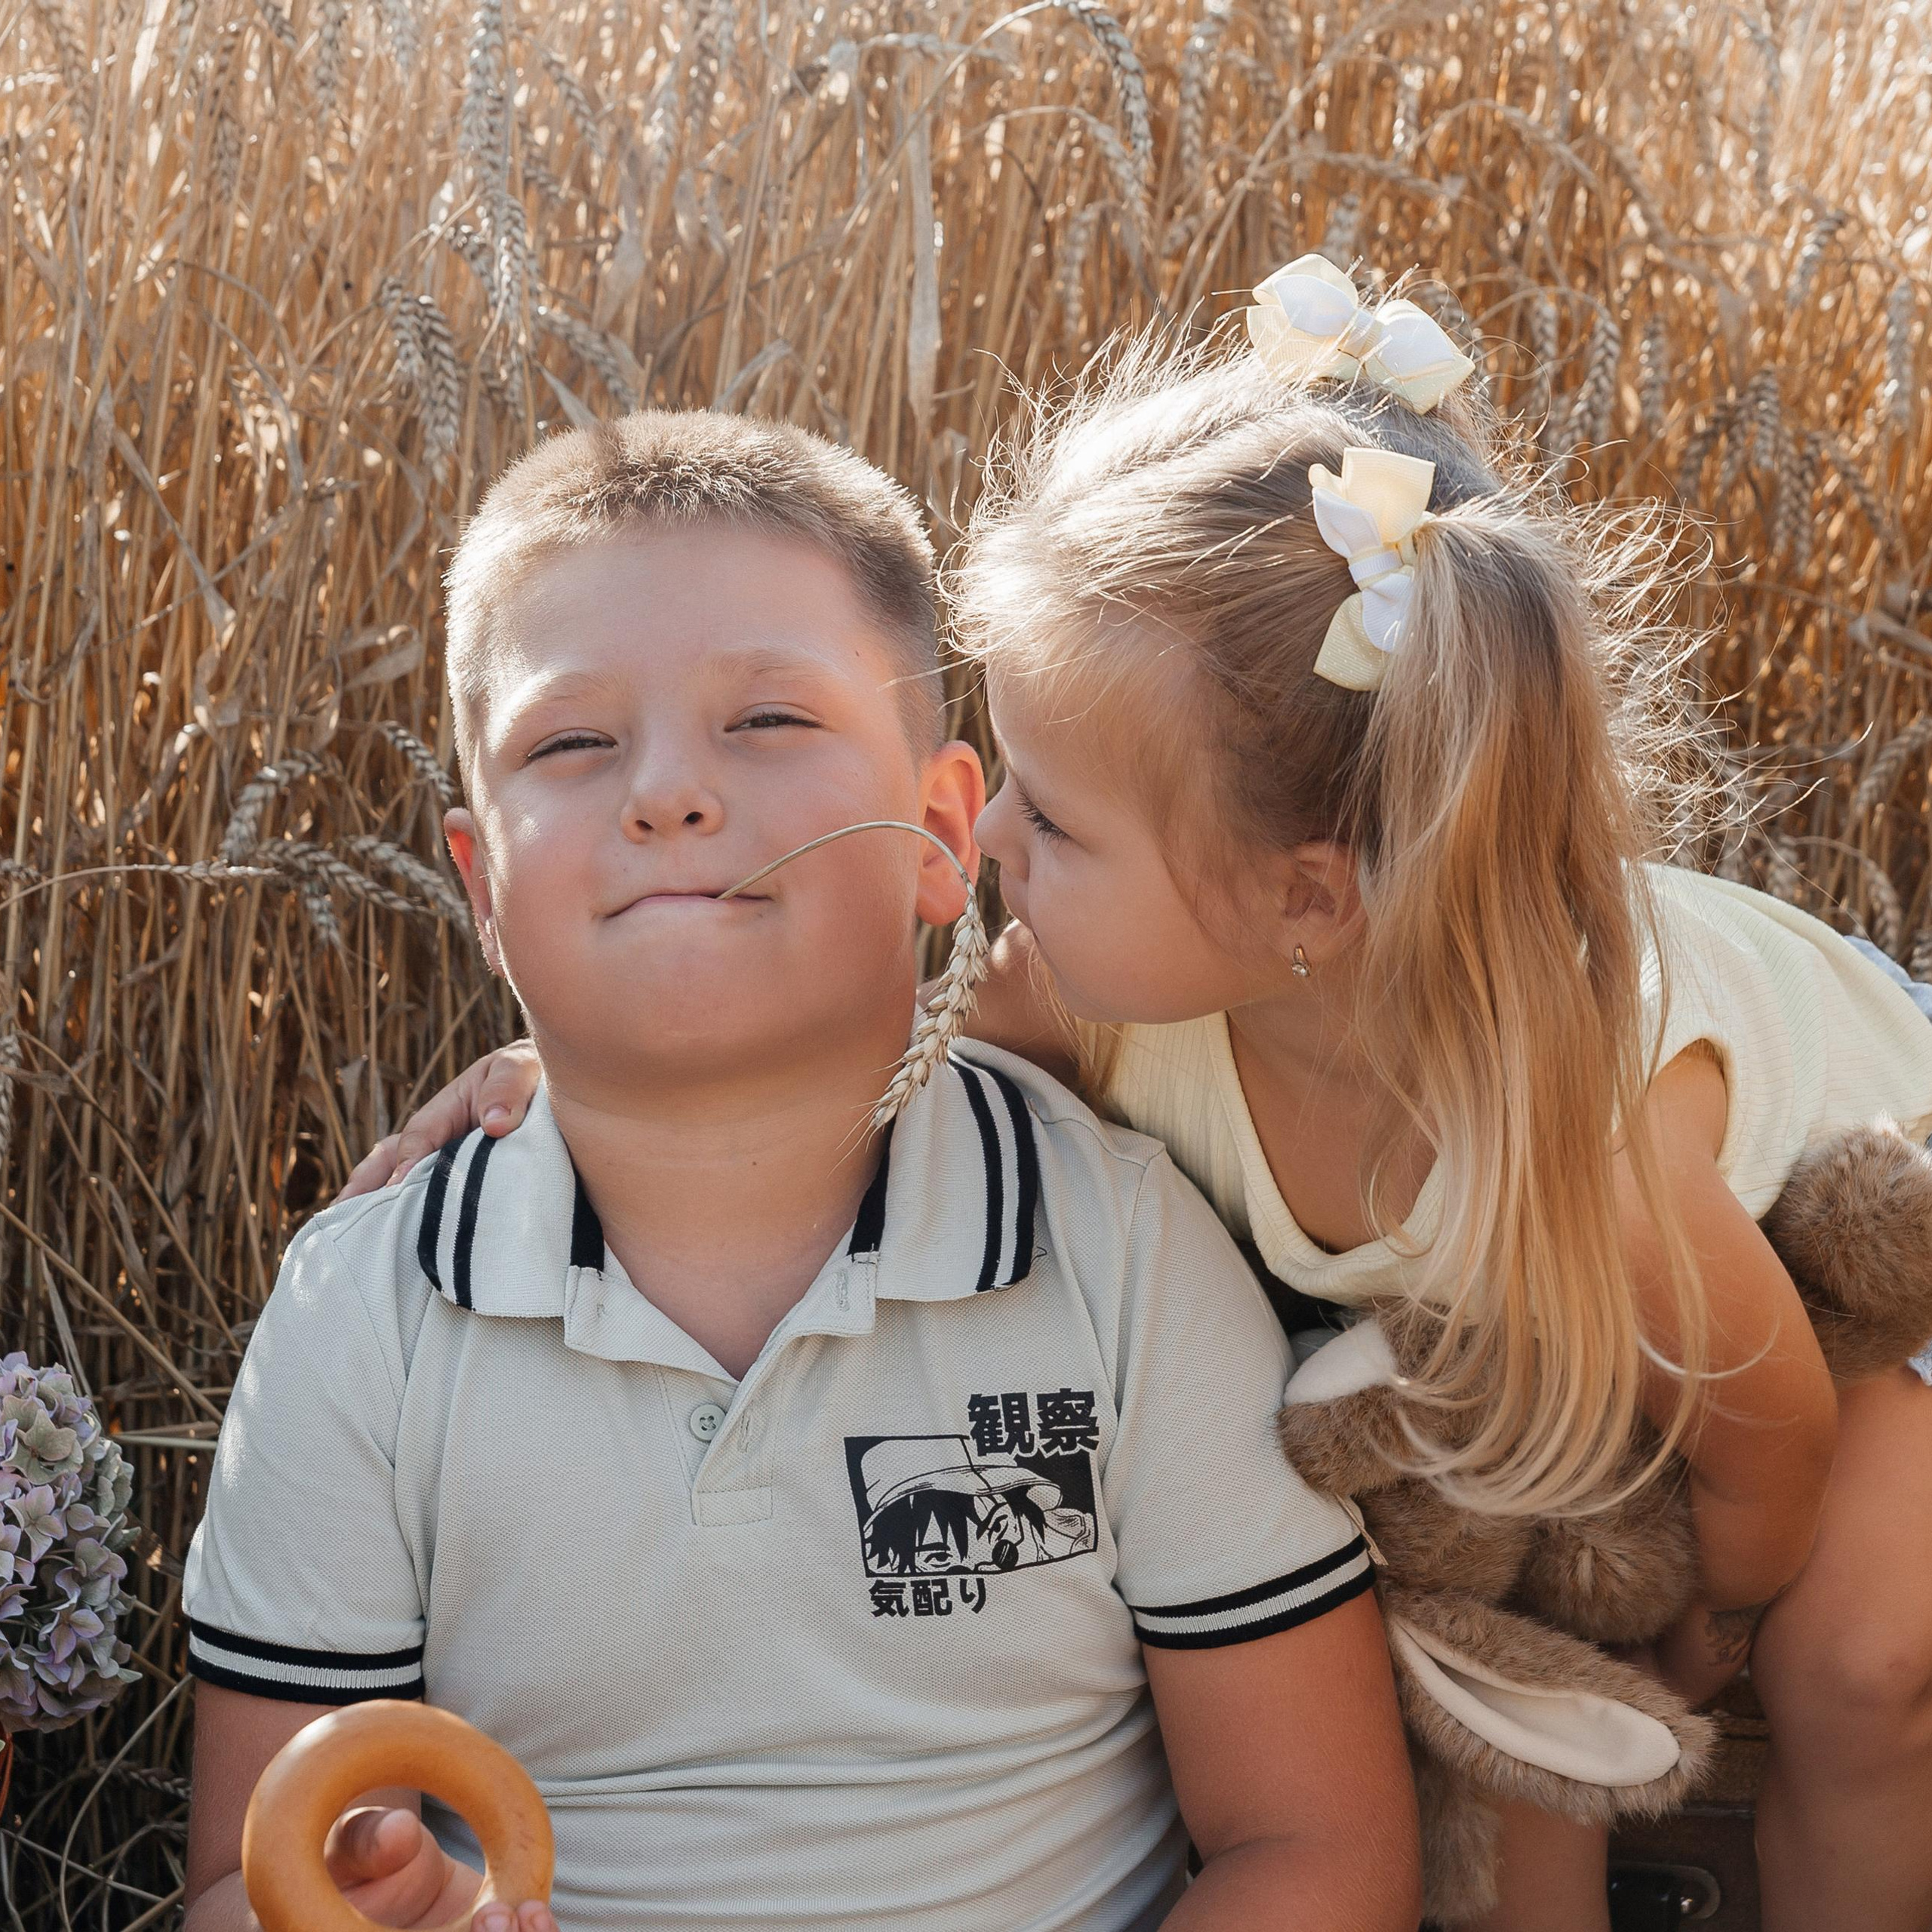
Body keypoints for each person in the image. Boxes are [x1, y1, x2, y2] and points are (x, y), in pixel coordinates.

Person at [353, 259, 1932, 1932]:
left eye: (1059, 819)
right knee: (1495, 1724)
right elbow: (855, 1094)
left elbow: (1770, 1417)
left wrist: (1712, 1622)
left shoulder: (1575, 1131)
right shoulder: (1089, 998)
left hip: (1838, 1241)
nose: (997, 841)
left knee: (1864, 1667)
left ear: (1301, 902)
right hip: (1559, 1335)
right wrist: (582, 1077)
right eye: (1009, 780)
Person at [181, 406, 1420, 1932]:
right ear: (481, 885)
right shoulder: (364, 1311)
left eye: (766, 721)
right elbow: (250, 1873)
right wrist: (369, 1908)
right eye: (571, 742)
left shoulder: (1123, 1256)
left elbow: (1315, 1848)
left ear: (942, 834)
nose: (668, 794)